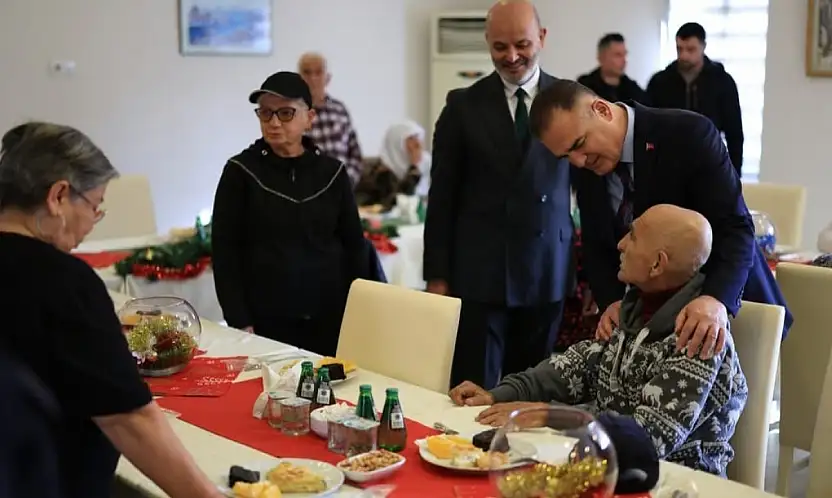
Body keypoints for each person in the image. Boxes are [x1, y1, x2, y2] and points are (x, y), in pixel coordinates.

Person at [0, 122, 221, 498]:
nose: (91, 224)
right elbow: (128, 418)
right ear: (58, 196)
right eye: (95, 206)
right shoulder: (63, 282)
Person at [449, 204, 748, 477]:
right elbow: (572, 368)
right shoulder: (632, 308)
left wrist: (548, 415)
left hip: (679, 481)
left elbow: (650, 437)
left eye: (632, 236)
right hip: (607, 465)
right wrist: (497, 395)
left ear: (658, 264)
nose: (620, 244)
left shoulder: (700, 336)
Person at [527, 79, 792, 357]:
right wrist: (613, 302)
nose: (578, 161)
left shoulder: (688, 134)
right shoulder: (586, 163)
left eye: (579, 144)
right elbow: (596, 243)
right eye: (566, 156)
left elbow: (735, 228)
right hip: (657, 326)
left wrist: (715, 299)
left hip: (729, 308)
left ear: (602, 110)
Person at [424, 0, 572, 390]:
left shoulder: (571, 101)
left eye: (522, 44)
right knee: (475, 396)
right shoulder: (462, 106)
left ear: (541, 38)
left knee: (532, 395)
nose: (511, 57)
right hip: (480, 276)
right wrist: (437, 277)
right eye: (500, 47)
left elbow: (593, 194)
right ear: (487, 42)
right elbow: (441, 198)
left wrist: (603, 282)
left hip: (547, 271)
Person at [211, 71, 367, 356]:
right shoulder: (241, 172)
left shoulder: (332, 172)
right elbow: (225, 252)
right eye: (266, 113)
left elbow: (354, 246)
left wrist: (359, 314)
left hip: (329, 315)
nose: (273, 123)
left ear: (309, 118)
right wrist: (239, 320)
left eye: (285, 113)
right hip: (266, 319)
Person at [646, 23, 744, 176]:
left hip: (709, 164)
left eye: (690, 49)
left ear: (703, 47)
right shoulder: (660, 82)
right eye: (679, 49)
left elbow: (734, 133)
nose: (684, 55)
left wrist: (735, 175)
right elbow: (647, 128)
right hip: (668, 167)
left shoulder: (722, 82)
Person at [298, 52, 364, 185]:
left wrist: (347, 181)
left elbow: (355, 153)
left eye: (318, 72)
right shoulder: (291, 113)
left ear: (327, 78)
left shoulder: (340, 110)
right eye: (307, 72)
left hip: (341, 190)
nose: (312, 78)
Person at [354, 120, 430, 209]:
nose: (418, 144)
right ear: (396, 143)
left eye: (418, 137)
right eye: (411, 138)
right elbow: (399, 203)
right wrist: (414, 168)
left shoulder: (426, 163)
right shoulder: (381, 172)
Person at [577, 33, 648, 104]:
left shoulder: (633, 89)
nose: (624, 60)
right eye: (618, 55)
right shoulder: (584, 88)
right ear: (601, 57)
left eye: (625, 55)